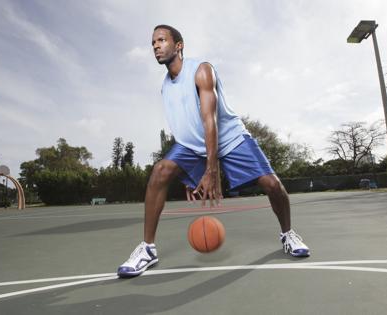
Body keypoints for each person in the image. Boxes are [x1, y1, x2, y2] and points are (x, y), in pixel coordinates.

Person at [117, 25, 310, 278]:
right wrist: (188, 173)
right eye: (153, 42)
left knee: (272, 184)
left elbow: (210, 121)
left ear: (178, 45)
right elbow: (184, 127)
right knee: (160, 171)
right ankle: (147, 249)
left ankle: (288, 234)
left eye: (161, 40)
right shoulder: (165, 87)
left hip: (229, 138)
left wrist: (211, 170)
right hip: (192, 146)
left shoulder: (201, 71)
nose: (155, 46)